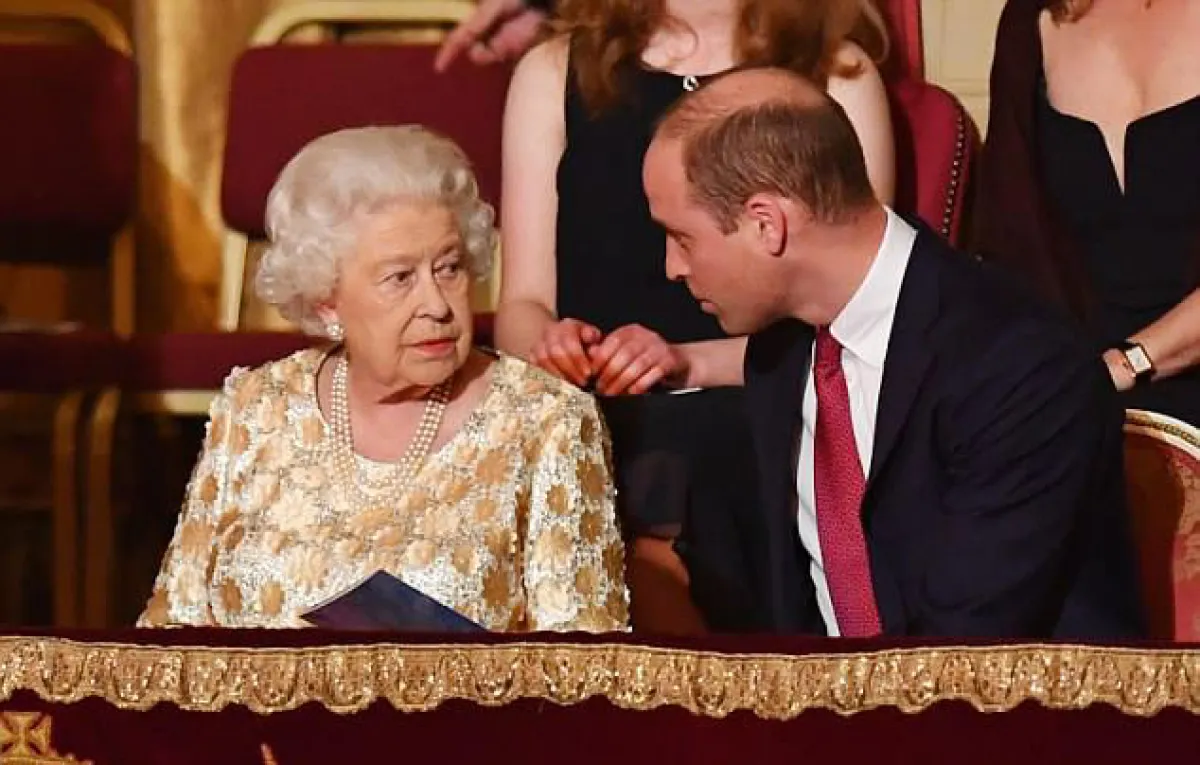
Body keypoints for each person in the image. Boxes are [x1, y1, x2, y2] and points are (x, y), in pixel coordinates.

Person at [643, 66, 1145, 638]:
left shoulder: (1021, 367)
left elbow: (965, 644)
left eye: (682, 237)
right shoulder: (782, 351)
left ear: (766, 225)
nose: (672, 267)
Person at [494, 0, 894, 631]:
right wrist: (551, 345)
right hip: (586, 401)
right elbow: (521, 305)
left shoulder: (837, 71)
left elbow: (856, 316)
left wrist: (685, 362)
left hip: (756, 392)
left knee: (703, 458)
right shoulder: (555, 69)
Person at [137, 126, 629, 631]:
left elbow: (580, 660)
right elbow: (173, 629)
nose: (437, 305)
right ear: (326, 300)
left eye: (449, 268)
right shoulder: (254, 407)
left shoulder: (547, 420)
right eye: (400, 278)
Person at [973, 0, 1200, 426]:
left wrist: (1121, 366)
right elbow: (1009, 251)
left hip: (1115, 381)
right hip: (1067, 391)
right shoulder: (1030, 20)